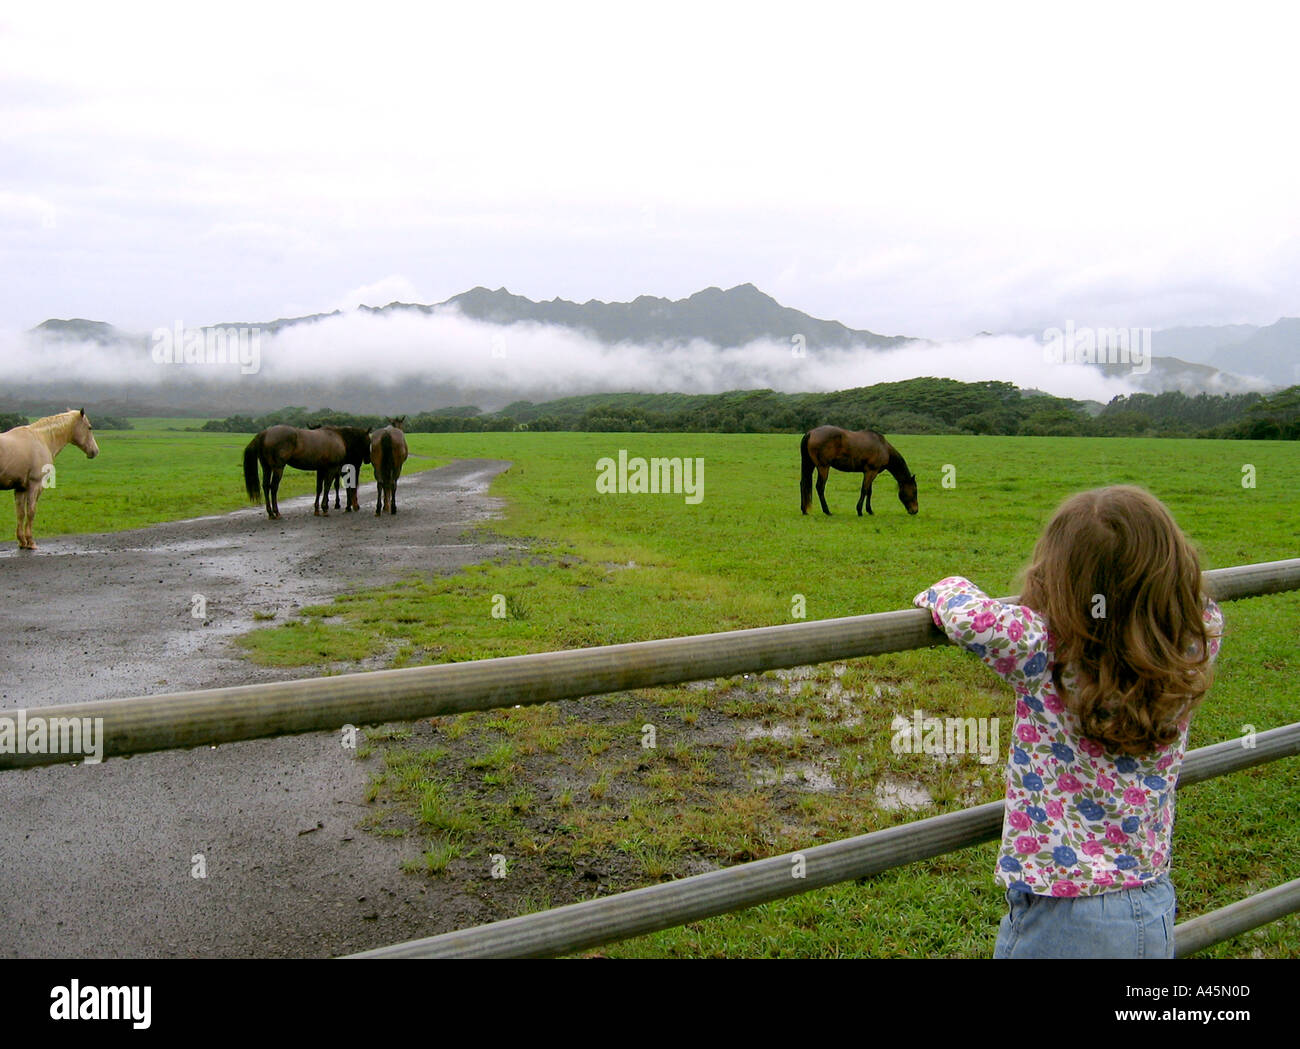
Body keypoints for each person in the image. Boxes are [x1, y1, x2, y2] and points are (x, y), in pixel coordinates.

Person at [913, 485, 1223, 958]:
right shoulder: (1191, 643)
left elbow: (970, 616)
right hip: (1150, 903)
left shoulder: (1043, 649)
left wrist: (947, 584)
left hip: (1062, 916)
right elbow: (1192, 604)